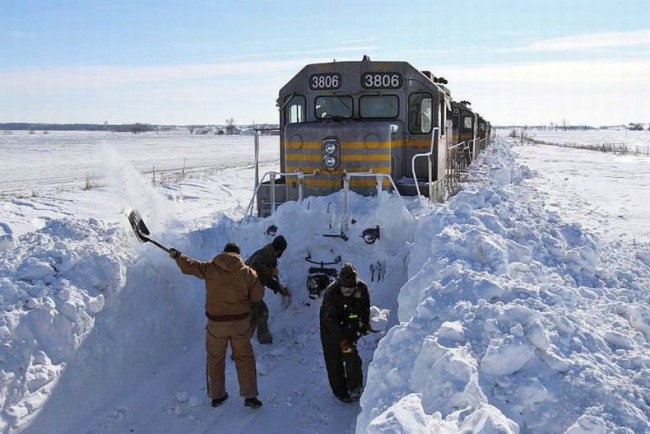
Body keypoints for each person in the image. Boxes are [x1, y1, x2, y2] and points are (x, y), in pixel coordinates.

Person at [168, 242, 264, 409]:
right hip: (239, 324)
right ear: (238, 255)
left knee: (215, 358)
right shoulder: (247, 272)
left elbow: (190, 266)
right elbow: (257, 296)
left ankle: (217, 396)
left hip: (216, 324)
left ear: (224, 253)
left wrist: (178, 256)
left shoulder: (211, 268)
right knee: (244, 358)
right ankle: (250, 396)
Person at [319, 263, 371, 403]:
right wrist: (342, 340)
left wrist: (365, 323)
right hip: (330, 327)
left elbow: (365, 307)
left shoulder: (362, 288)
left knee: (351, 355)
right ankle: (340, 391)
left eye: (351, 290)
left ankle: (355, 388)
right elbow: (330, 321)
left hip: (350, 320)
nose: (348, 293)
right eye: (345, 290)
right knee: (333, 358)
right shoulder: (331, 294)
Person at [245, 235, 290, 345]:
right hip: (247, 290)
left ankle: (264, 338)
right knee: (253, 319)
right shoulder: (266, 253)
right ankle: (239, 351)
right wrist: (271, 271)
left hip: (251, 290)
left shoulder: (269, 254)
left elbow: (264, 277)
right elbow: (255, 265)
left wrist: (278, 288)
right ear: (280, 250)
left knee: (262, 312)